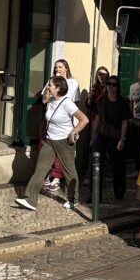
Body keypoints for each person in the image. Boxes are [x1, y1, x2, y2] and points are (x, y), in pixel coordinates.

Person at [17, 75, 88, 211]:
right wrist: (48, 92)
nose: (48, 86)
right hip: (49, 140)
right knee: (40, 169)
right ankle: (30, 199)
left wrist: (73, 132)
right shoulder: (50, 100)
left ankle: (73, 199)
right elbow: (44, 100)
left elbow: (84, 119)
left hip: (64, 141)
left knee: (69, 171)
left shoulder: (68, 103)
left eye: (50, 85)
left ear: (58, 88)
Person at [91, 75, 130, 201]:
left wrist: (122, 139)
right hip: (102, 134)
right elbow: (96, 119)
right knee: (96, 163)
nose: (111, 87)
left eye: (114, 84)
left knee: (117, 165)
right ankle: (95, 195)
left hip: (116, 136)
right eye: (109, 84)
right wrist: (93, 137)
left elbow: (125, 122)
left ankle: (119, 191)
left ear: (118, 87)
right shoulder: (101, 100)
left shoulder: (123, 102)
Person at [42, 59, 79, 190]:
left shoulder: (72, 82)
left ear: (66, 69)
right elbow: (45, 100)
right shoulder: (51, 81)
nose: (58, 69)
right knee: (48, 149)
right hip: (51, 118)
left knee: (61, 150)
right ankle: (49, 174)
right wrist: (47, 92)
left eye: (60, 67)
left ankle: (57, 177)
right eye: (56, 67)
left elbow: (68, 98)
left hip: (64, 119)